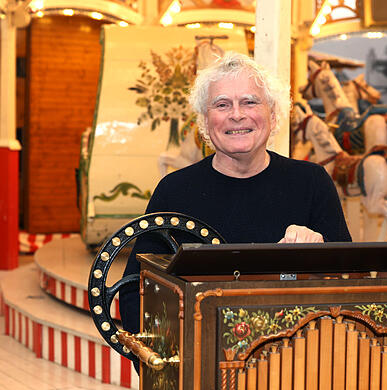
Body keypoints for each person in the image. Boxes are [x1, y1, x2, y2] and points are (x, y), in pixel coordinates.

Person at [120, 52, 352, 338]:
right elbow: (136, 289)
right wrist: (164, 367)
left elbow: (350, 284)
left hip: (292, 362)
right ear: (205, 122)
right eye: (222, 105)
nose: (237, 114)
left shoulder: (312, 182)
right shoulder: (174, 191)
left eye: (249, 102)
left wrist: (321, 251)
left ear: (274, 114)